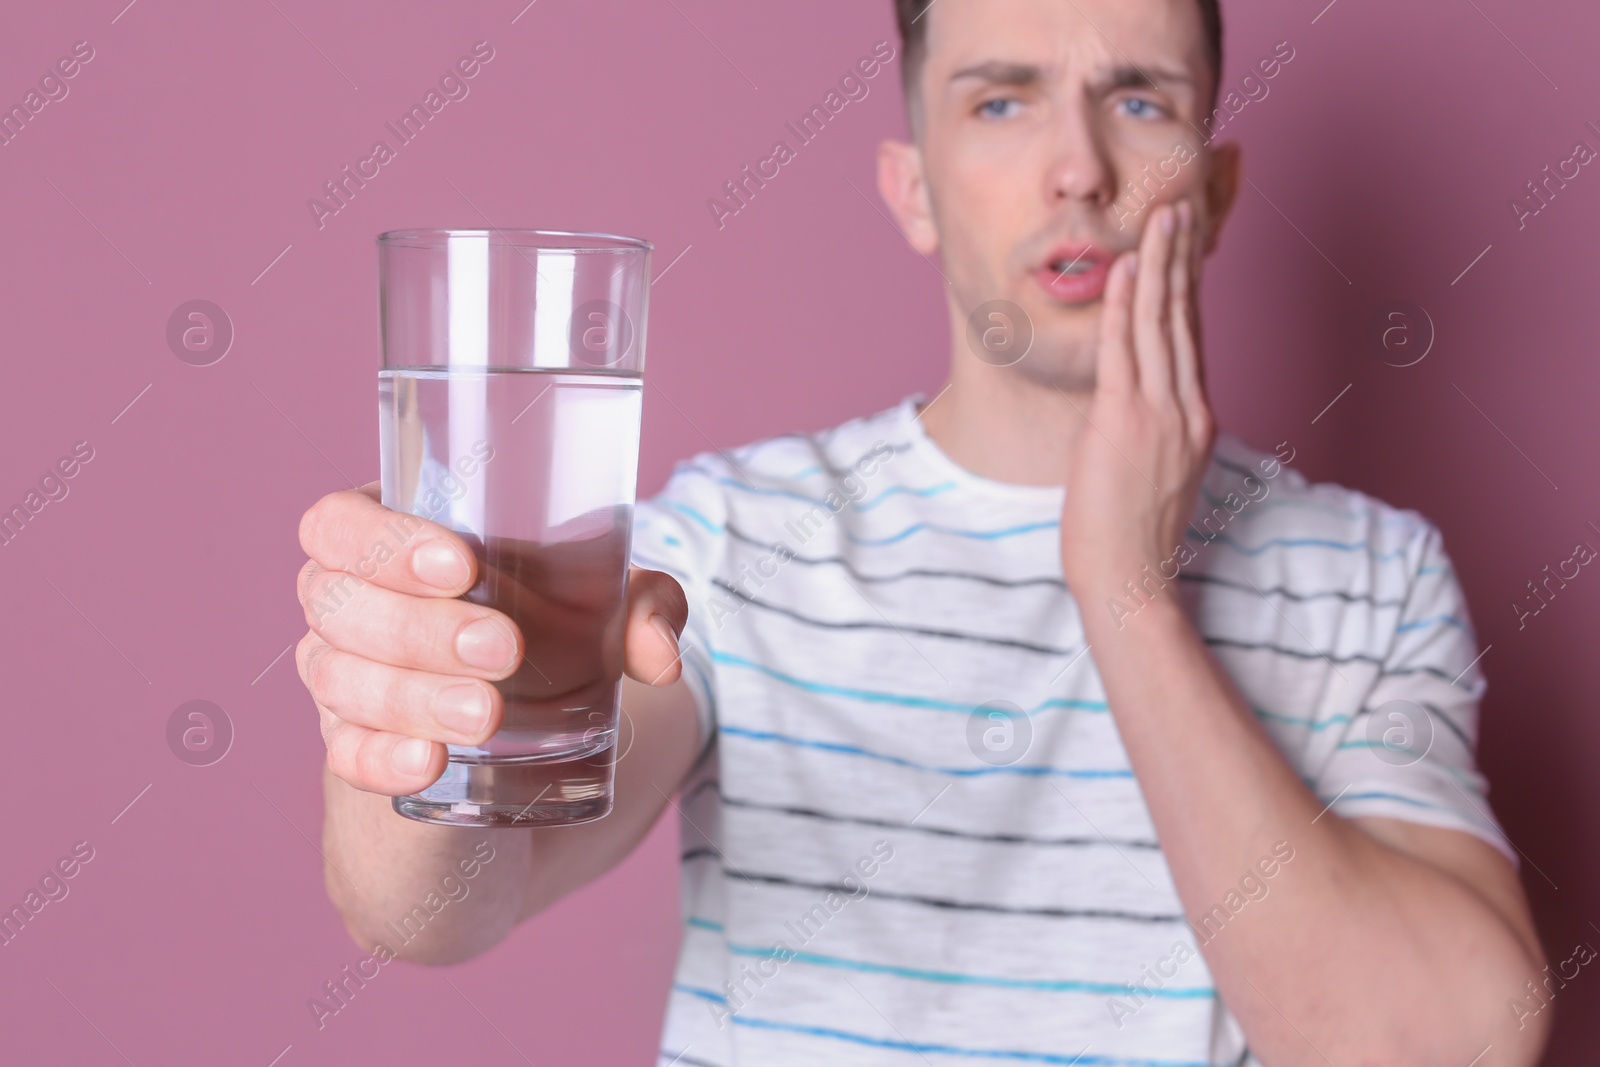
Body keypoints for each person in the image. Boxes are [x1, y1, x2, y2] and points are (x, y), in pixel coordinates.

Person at [293, 0, 1552, 1063]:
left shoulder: (1372, 577)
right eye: (999, 102)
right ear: (914, 190)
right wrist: (407, 717)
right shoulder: (739, 539)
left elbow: (1447, 1042)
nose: (1078, 170)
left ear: (1214, 193)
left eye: (1140, 101)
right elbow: (441, 909)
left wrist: (1124, 588)